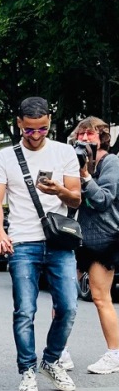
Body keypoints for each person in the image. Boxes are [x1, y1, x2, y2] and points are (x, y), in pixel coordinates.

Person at [0, 96, 80, 391]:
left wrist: (60, 190)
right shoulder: (5, 157)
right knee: (25, 311)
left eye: (42, 129)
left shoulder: (64, 152)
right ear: (19, 124)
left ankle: (51, 360)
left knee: (68, 307)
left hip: (58, 241)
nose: (36, 135)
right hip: (23, 242)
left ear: (49, 121)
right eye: (29, 130)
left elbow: (76, 199)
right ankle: (27, 370)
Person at [72, 117, 119, 374]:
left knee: (101, 298)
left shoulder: (110, 162)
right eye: (80, 134)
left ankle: (114, 354)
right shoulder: (74, 160)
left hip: (104, 239)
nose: (84, 138)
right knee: (64, 296)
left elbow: (103, 200)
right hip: (77, 236)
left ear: (102, 137)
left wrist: (85, 177)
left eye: (90, 134)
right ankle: (58, 352)